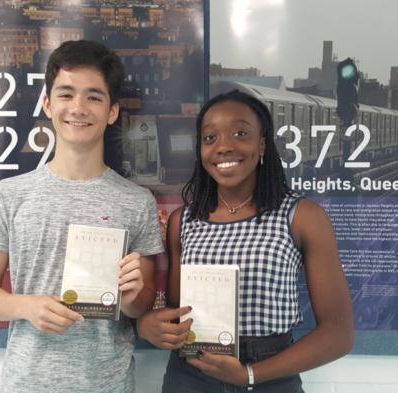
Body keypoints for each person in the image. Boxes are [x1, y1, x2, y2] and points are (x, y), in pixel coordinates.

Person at [0, 40, 164, 393]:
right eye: (65, 94)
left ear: (112, 111)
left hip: (109, 384)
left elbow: (141, 306)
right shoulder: (9, 195)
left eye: (93, 96)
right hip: (27, 383)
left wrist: (132, 296)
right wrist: (27, 307)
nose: (78, 107)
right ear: (47, 104)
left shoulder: (138, 203)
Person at [137, 89, 354, 392]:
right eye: (210, 138)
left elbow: (338, 333)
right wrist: (148, 325)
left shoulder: (302, 216)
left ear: (262, 143)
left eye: (240, 133)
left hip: (270, 374)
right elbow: (176, 314)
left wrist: (249, 374)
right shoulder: (182, 221)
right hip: (192, 372)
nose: (224, 147)